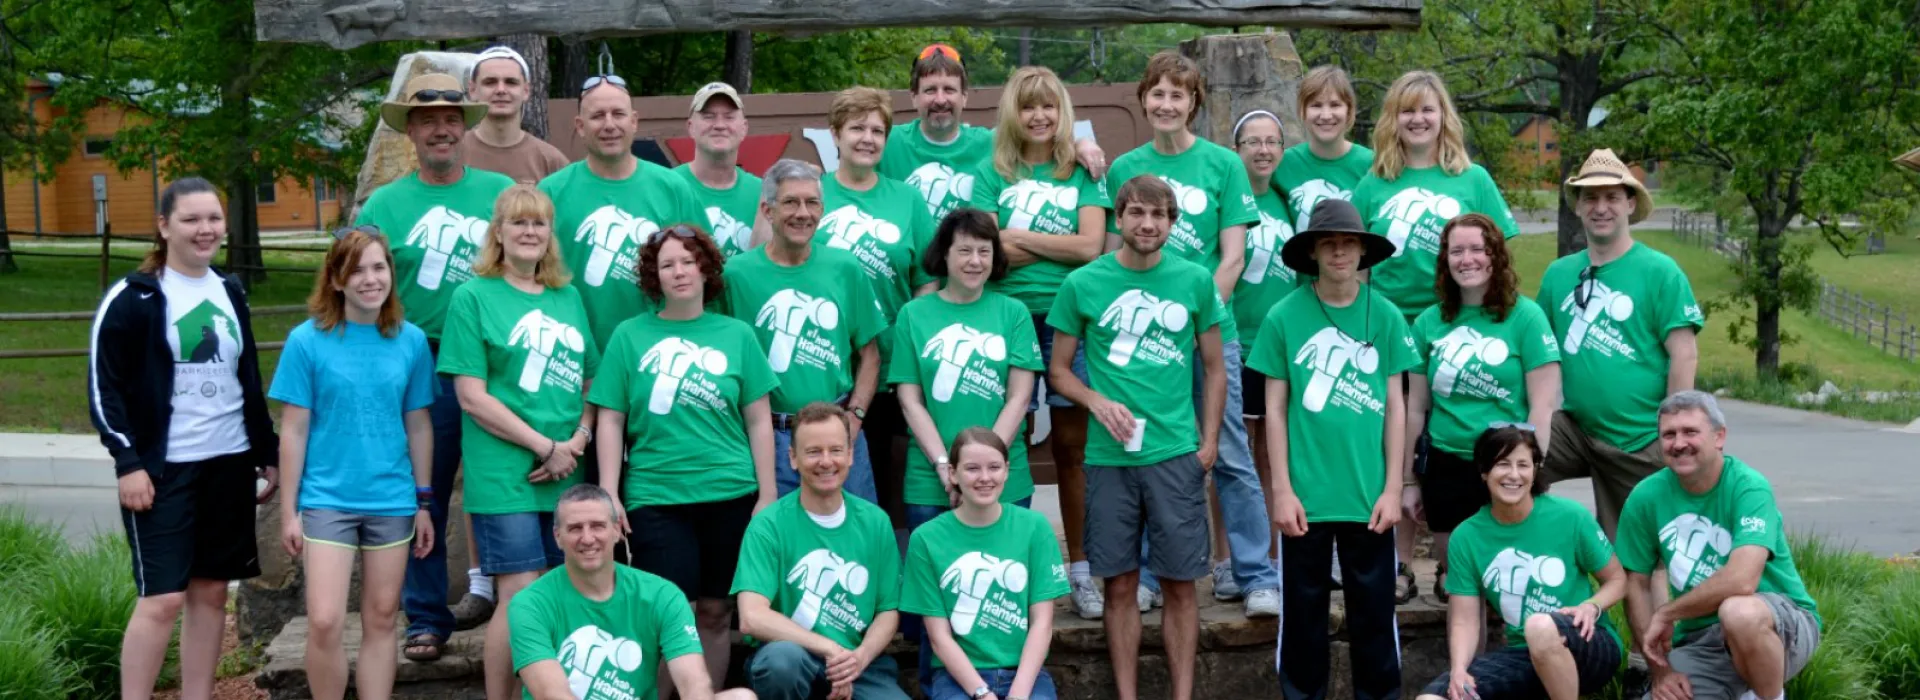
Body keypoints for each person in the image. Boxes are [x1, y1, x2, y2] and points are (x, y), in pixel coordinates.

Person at [89, 177, 280, 700]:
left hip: (228, 461)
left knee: (212, 592)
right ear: (164, 225)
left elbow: (247, 379)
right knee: (163, 599)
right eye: (191, 219)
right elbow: (104, 389)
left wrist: (267, 452)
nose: (205, 229)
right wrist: (127, 462)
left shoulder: (229, 290)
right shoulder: (133, 298)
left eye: (213, 218)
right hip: (162, 470)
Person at [1104, 50, 1277, 619]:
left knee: (1227, 451)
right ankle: (1151, 571)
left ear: (1194, 103)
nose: (1166, 104)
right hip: (1143, 343)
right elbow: (1116, 254)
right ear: (1144, 100)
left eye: (1178, 94)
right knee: (1154, 454)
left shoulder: (1223, 165)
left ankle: (1255, 574)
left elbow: (1233, 254)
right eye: (1157, 93)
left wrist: (1195, 315)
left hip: (1207, 331)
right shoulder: (1125, 167)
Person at [1046, 175, 1226, 700]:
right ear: (1119, 218)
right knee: (1120, 584)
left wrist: (1208, 441)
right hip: (1108, 457)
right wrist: (1097, 402)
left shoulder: (1194, 281)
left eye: (1159, 215)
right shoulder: (1083, 283)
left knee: (1179, 585)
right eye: (1137, 213)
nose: (1147, 224)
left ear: (1172, 223)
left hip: (1175, 452)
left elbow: (1215, 369)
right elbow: (1058, 371)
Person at [355, 72, 514, 659]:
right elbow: (357, 286)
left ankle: (521, 601)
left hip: (499, 362)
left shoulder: (499, 193)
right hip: (420, 360)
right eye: (429, 121)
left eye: (452, 119)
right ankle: (425, 616)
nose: (441, 130)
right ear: (412, 132)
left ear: (463, 127)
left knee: (509, 484)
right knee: (423, 491)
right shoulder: (384, 205)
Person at [589, 223, 779, 692]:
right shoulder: (629, 336)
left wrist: (768, 491)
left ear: (706, 269)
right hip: (656, 496)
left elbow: (758, 420)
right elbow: (610, 420)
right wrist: (610, 492)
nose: (679, 272)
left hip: (732, 493)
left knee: (716, 612)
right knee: (670, 613)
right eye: (667, 264)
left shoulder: (737, 335)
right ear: (654, 276)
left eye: (688, 262)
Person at [438, 185, 602, 700]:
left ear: (551, 234)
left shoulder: (567, 297)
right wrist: (542, 446)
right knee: (520, 593)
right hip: (505, 469)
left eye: (540, 224)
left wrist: (576, 441)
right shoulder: (473, 296)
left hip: (566, 465)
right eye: (519, 223)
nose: (530, 232)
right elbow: (470, 395)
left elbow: (591, 381)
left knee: (564, 591)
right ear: (498, 234)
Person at [1248, 198, 1414, 700]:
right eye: (1329, 244)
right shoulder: (1284, 315)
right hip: (1306, 497)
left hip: (1369, 498)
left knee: (1374, 617)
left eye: (1348, 243)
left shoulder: (1384, 315)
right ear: (1313, 253)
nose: (1340, 252)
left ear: (1363, 251)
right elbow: (1273, 410)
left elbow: (1397, 408)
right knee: (1302, 618)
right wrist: (1281, 490)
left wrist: (1392, 487)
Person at [966, 65, 1111, 619]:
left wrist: (1020, 236)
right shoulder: (991, 172)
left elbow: (1092, 246)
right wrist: (1054, 242)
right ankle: (1010, 567)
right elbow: (989, 254)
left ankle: (1080, 569)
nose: (1039, 116)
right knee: (1004, 443)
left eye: (1049, 105)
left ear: (1063, 110)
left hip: (1070, 317)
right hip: (1007, 318)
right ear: (1012, 112)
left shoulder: (1080, 169)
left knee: (1074, 449)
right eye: (1028, 106)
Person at [272, 226, 438, 700]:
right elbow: (294, 430)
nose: (370, 279)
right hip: (328, 499)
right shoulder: (307, 341)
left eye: (379, 267)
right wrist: (289, 511)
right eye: (357, 269)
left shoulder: (409, 341)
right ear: (337, 280)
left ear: (391, 272)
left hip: (392, 498)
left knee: (383, 617)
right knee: (324, 620)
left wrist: (423, 502)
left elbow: (419, 426)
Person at [889, 207, 1041, 681]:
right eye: (964, 250)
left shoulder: (1012, 311)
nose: (974, 260)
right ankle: (940, 688)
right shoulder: (914, 314)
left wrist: (982, 464)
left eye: (984, 250)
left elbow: (1020, 394)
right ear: (945, 255)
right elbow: (910, 400)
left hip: (1002, 476)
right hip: (929, 478)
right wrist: (944, 466)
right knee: (935, 606)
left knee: (1001, 598)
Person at [1539, 149, 1704, 537]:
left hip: (1638, 438)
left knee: (1638, 556)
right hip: (1576, 430)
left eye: (1612, 197)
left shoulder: (1659, 271)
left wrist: (1674, 431)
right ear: (1578, 207)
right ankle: (1537, 564)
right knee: (1505, 460)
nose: (1601, 208)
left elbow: (1684, 353)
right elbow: (1538, 356)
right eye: (1590, 198)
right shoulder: (1560, 274)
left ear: (1630, 203)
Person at [1620, 392, 1821, 700]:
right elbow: (1636, 585)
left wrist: (1668, 613)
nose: (1678, 443)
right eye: (1669, 434)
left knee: (1738, 612)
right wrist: (1660, 671)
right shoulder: (1645, 497)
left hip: (1780, 627)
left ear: (1719, 436)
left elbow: (1743, 580)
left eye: (1690, 432)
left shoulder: (1748, 487)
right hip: (1702, 642)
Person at [1404, 213, 1561, 598]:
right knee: (1460, 585)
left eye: (1478, 249)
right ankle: (1463, 658)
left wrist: (1530, 471)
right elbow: (1415, 407)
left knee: (1510, 583)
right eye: (1456, 251)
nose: (1467, 259)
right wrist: (1409, 481)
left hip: (1506, 466)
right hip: (1446, 464)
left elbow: (1543, 406)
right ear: (1445, 259)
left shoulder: (1526, 317)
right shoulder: (1428, 323)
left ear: (1495, 256)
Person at [1414, 426, 1627, 700]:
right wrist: (1458, 669)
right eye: (1503, 464)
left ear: (1535, 471)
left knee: (1540, 626)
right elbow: (1465, 620)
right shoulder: (1467, 536)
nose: (1514, 475)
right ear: (1484, 471)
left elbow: (1618, 580)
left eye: (1523, 465)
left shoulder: (1569, 516)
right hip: (1524, 653)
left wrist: (1591, 606)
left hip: (1589, 641)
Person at [719, 159, 886, 504]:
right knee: (780, 548)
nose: (802, 213)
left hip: (837, 434)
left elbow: (870, 354)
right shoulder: (735, 275)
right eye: (791, 202)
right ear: (767, 210)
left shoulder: (845, 268)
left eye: (812, 203)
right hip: (769, 438)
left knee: (854, 542)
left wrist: (853, 418)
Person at [815, 85, 938, 527]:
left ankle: (896, 584)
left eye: (877, 130)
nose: (867, 138)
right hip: (826, 365)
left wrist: (913, 350)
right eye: (856, 128)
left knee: (891, 487)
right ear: (835, 135)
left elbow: (925, 283)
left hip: (891, 365)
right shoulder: (814, 195)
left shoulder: (907, 200)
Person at [509, 484, 756, 700]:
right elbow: (552, 694)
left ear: (617, 530)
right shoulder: (529, 604)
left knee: (741, 697)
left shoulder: (662, 595)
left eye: (597, 526)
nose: (587, 538)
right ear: (557, 536)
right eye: (575, 528)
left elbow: (694, 684)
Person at [732, 403, 909, 700]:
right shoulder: (768, 525)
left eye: (836, 450)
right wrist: (827, 647)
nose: (826, 461)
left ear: (851, 455)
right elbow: (752, 617)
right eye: (813, 451)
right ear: (793, 458)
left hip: (857, 665)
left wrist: (858, 659)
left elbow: (887, 611)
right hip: (793, 659)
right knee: (780, 663)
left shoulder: (876, 522)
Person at [539, 68, 704, 351]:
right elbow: (531, 280)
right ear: (580, 126)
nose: (609, 125)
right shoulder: (551, 192)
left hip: (660, 350)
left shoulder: (672, 187)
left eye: (618, 114)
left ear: (634, 121)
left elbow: (705, 272)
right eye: (597, 116)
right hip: (575, 352)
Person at [903, 428, 1069, 700]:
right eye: (972, 469)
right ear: (953, 473)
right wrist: (982, 693)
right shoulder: (926, 539)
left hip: (1024, 673)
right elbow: (939, 638)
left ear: (1007, 470)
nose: (984, 478)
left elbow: (1042, 624)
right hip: (958, 676)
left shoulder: (1035, 527)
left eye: (994, 467)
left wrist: (1018, 694)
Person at [1353, 70, 1519, 324]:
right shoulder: (1372, 183)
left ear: (1443, 116)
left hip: (1455, 320)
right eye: (1407, 111)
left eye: (1427, 110)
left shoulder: (1474, 179)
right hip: (1386, 323)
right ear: (1393, 119)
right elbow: (1357, 265)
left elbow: (1499, 258)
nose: (1418, 119)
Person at [880, 43, 1109, 221]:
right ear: (913, 97)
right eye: (930, 90)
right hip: (910, 276)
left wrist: (1081, 144)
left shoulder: (993, 142)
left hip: (972, 274)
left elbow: (1044, 135)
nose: (940, 99)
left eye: (949, 89)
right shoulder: (888, 142)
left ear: (965, 97)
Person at [1226, 108, 1298, 608]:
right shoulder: (1227, 194)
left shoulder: (1288, 199)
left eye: (1272, 141)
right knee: (1232, 454)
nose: (1264, 150)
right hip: (1235, 339)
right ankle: (1227, 559)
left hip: (1279, 345)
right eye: (1253, 142)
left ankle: (1268, 558)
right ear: (1237, 149)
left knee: (1272, 453)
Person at [1272, 65, 1374, 233]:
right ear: (1302, 111)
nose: (1326, 115)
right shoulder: (1283, 164)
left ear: (1349, 111)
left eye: (1335, 105)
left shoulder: (1372, 165)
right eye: (1316, 105)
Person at [674, 82, 763, 258]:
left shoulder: (763, 194)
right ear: (690, 126)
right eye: (708, 116)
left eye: (729, 117)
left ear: (744, 128)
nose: (719, 125)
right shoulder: (668, 187)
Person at [464, 45, 571, 184]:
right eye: (490, 82)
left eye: (511, 82)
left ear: (526, 91)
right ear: (472, 90)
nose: (501, 90)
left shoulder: (551, 162)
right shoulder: (453, 154)